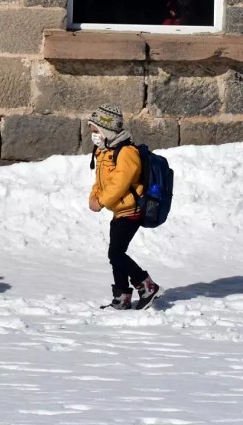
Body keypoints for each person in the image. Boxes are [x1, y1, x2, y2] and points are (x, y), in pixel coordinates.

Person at [87, 104, 163, 310]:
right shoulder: (105, 152)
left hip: (131, 210)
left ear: (106, 130)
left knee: (116, 254)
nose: (93, 135)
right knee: (116, 255)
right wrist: (94, 196)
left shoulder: (127, 152)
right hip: (119, 211)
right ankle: (121, 297)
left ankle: (147, 285)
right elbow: (101, 181)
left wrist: (102, 201)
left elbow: (120, 183)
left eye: (95, 131)